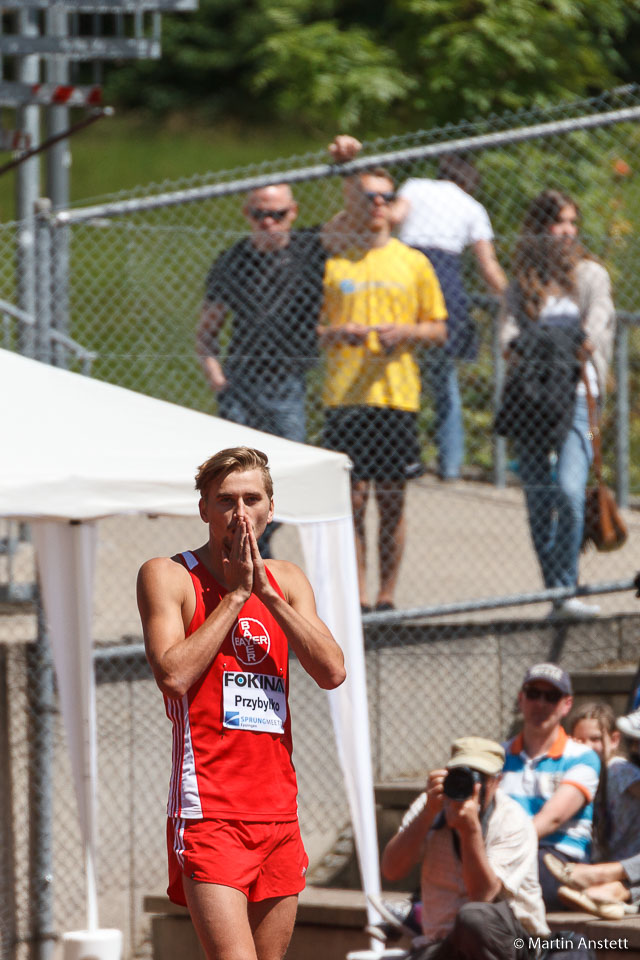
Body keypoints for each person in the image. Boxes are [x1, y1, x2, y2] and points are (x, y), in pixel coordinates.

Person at [136, 446, 346, 960]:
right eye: (226, 500)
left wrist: (266, 594)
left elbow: (332, 671)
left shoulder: (289, 579)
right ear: (204, 508)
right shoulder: (168, 575)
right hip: (210, 809)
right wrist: (234, 596)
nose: (240, 512)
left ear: (271, 509)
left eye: (252, 499)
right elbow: (173, 675)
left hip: (277, 810)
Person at [196, 136, 359, 556]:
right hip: (242, 383)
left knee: (285, 476)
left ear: (293, 213)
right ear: (247, 215)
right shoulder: (232, 259)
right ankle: (246, 559)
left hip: (287, 382)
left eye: (277, 214)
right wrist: (219, 383)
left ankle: (257, 549)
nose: (269, 222)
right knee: (232, 481)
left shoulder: (309, 247)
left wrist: (348, 168)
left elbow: (358, 218)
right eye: (259, 214)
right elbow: (207, 331)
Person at [319, 167, 448, 612]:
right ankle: (356, 595)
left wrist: (406, 332)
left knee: (391, 501)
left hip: (396, 396)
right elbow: (312, 329)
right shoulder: (335, 262)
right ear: (353, 204)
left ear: (394, 206)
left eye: (384, 197)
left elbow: (439, 328)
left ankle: (387, 594)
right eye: (367, 197)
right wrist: (340, 332)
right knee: (352, 501)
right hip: (345, 396)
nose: (377, 205)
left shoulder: (414, 262)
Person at [500, 189, 616, 619]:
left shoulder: (590, 276)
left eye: (572, 223)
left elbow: (596, 330)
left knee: (568, 492)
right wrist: (562, 343)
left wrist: (546, 345)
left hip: (578, 397)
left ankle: (567, 587)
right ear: (538, 228)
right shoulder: (522, 283)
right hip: (530, 401)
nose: (567, 231)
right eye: (558, 222)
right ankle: (557, 593)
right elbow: (508, 341)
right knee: (536, 500)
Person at [379, 736, 553, 960]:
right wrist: (427, 815)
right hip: (445, 944)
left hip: (511, 943)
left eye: (479, 777)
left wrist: (469, 831)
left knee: (473, 917)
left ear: (496, 781)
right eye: (462, 773)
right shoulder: (429, 805)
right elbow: (392, 870)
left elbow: (482, 895)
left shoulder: (512, 820)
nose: (470, 785)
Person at [394, 155, 507, 480]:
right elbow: (488, 266)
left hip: (405, 281)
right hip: (447, 293)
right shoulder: (473, 207)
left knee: (400, 379)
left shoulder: (415, 187)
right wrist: (514, 300)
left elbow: (393, 217)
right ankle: (450, 466)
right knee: (444, 385)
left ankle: (402, 459)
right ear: (469, 181)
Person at [501, 663, 601, 911]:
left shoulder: (582, 757)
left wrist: (499, 852)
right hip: (505, 854)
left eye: (552, 696)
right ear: (521, 699)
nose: (541, 704)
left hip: (557, 860)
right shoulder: (498, 756)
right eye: (534, 694)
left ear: (567, 704)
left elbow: (553, 820)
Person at [543, 701, 640, 919]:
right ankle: (608, 892)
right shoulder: (574, 776)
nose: (587, 746)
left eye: (595, 739)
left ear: (614, 740)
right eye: (579, 740)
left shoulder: (618, 770)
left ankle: (605, 884)